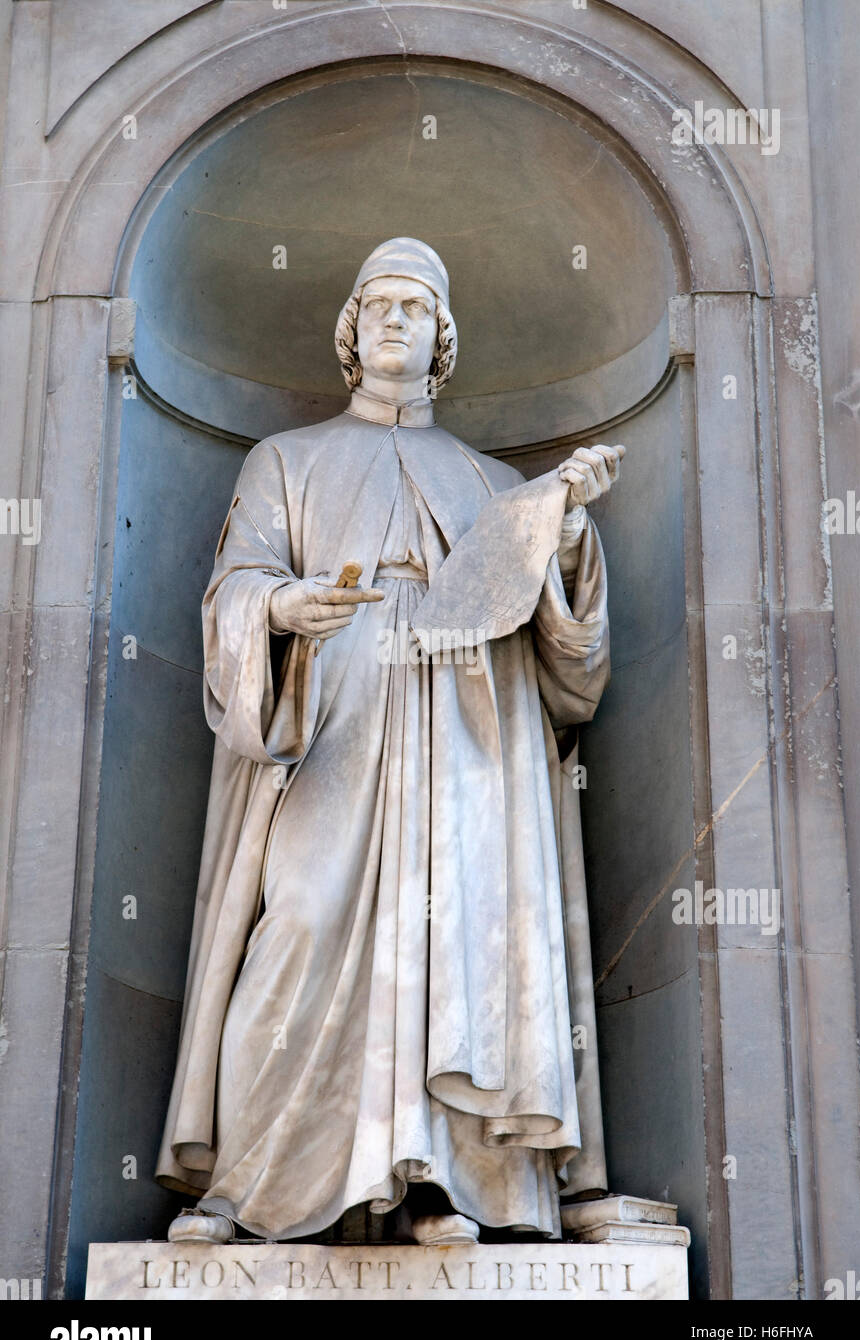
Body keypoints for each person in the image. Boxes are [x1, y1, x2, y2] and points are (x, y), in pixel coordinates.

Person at [158, 238, 622, 1246]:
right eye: (376, 304)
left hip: (466, 737)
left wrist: (566, 531)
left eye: (415, 305)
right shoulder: (286, 460)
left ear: (442, 336)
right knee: (301, 924)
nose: (394, 319)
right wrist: (286, 605)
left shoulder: (494, 483)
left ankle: (439, 1181)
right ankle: (247, 1180)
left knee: (457, 940)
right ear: (350, 332)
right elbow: (230, 590)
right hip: (335, 717)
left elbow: (569, 675)